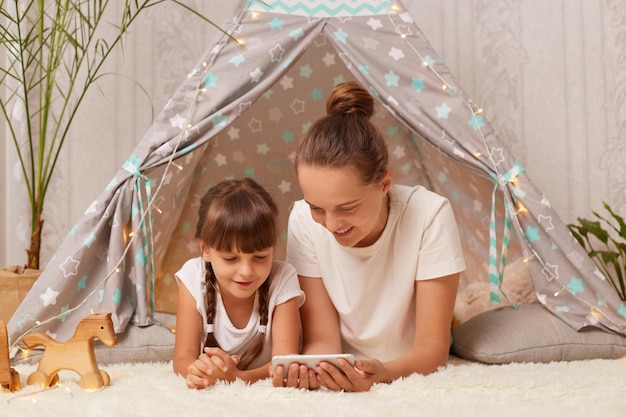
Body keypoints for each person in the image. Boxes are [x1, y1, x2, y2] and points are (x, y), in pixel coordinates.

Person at [274, 81, 466, 392]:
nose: (332, 224)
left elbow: (433, 347)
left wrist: (383, 374)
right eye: (317, 208)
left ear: (384, 183)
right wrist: (316, 369)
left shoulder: (430, 215)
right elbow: (322, 338)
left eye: (347, 207)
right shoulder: (302, 220)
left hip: (408, 368)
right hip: (347, 364)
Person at [173, 178, 304, 389]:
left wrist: (237, 378)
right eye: (230, 259)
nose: (246, 271)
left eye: (260, 257)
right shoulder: (193, 275)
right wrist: (200, 372)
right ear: (205, 249)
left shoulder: (283, 278)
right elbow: (182, 358)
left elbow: (285, 363)